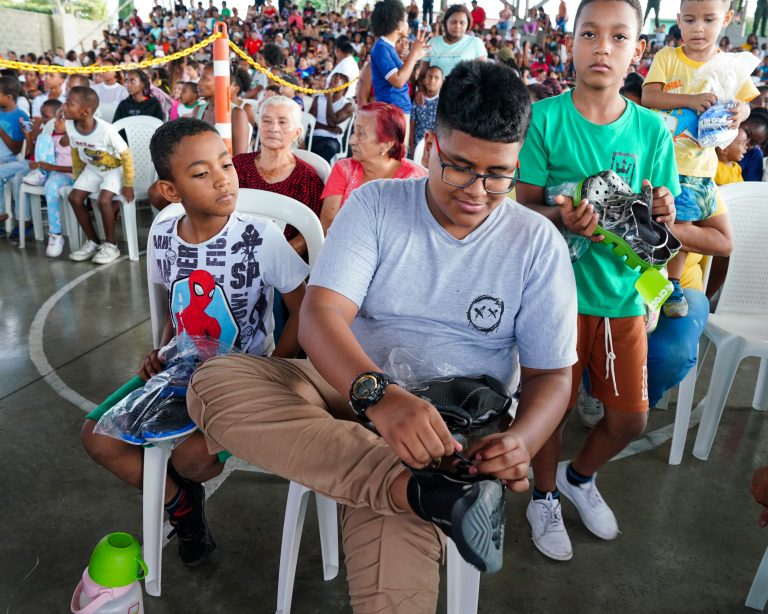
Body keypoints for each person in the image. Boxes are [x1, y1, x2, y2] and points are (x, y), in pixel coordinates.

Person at [187, 59, 577, 612]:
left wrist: (524, 441)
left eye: (498, 175)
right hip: (350, 387)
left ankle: (419, 485)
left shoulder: (536, 242)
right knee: (214, 383)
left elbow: (551, 376)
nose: (477, 192)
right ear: (430, 148)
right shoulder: (376, 204)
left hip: (451, 431)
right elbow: (321, 315)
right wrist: (380, 398)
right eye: (460, 168)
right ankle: (423, 492)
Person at [81, 117, 309, 567]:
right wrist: (161, 349)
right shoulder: (164, 236)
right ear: (171, 190)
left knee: (191, 460)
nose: (223, 179)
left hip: (241, 376)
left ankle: (177, 489)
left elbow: (305, 310)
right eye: (202, 173)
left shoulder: (259, 237)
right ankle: (181, 505)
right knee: (97, 439)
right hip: (179, 368)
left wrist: (274, 368)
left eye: (226, 164)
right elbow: (177, 306)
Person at [516, 0, 678, 562]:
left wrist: (662, 208)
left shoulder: (652, 131)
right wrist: (562, 217)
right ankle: (543, 496)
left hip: (623, 295)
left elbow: (660, 216)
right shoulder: (544, 119)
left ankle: (578, 478)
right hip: (554, 297)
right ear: (571, 42)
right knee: (551, 410)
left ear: (639, 49)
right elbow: (522, 210)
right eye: (589, 34)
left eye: (618, 36)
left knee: (630, 419)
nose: (602, 47)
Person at [642, 0, 756, 319]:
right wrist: (690, 100)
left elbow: (747, 102)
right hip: (667, 163)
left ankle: (670, 278)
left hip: (702, 168)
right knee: (679, 222)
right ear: (679, 20)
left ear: (727, 19)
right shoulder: (668, 57)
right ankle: (666, 284)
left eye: (708, 20)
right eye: (690, 20)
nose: (698, 28)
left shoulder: (728, 65)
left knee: (687, 225)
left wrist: (741, 112)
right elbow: (650, 96)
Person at [233, 96, 324, 258]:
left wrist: (270, 258)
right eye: (266, 121)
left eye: (282, 122)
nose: (273, 128)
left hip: (283, 261)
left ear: (297, 132)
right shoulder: (239, 165)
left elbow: (309, 234)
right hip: (233, 252)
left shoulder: (306, 178)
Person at [320, 102, 426, 231]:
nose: (351, 141)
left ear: (386, 145)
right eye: (354, 131)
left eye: (361, 133)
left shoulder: (413, 180)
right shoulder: (344, 168)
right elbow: (327, 224)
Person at [64, 86, 135, 265]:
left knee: (104, 200)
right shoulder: (69, 125)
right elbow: (75, 152)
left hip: (114, 169)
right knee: (74, 197)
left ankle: (111, 245)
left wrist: (128, 183)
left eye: (69, 104)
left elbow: (126, 155)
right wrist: (78, 177)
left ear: (86, 111)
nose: (64, 107)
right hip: (92, 168)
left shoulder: (106, 130)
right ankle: (93, 241)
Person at [20, 104, 74, 258]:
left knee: (51, 185)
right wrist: (39, 164)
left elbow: (78, 169)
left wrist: (53, 167)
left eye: (59, 119)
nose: (55, 122)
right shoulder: (52, 137)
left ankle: (55, 234)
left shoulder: (77, 139)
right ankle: (41, 173)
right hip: (53, 173)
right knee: (42, 137)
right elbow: (46, 158)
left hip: (70, 175)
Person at [369, 0, 430, 126]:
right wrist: (413, 54)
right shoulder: (381, 48)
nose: (408, 25)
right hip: (392, 111)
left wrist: (415, 56)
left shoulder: (387, 47)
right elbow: (398, 81)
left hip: (398, 109)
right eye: (406, 21)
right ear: (398, 25)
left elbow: (404, 76)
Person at [419, 5, 486, 81]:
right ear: (446, 22)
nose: (457, 26)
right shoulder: (432, 43)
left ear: (468, 24)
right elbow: (422, 75)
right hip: (435, 89)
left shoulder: (476, 43)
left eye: (462, 23)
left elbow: (483, 77)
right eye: (453, 22)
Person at [0, 76, 30, 228]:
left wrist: (1, 131)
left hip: (11, 161)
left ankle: (5, 215)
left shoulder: (20, 117)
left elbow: (16, 149)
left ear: (9, 97)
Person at [310, 73, 356, 163]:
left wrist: (329, 99)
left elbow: (331, 122)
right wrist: (330, 128)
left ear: (344, 86)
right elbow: (311, 123)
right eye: (331, 81)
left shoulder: (348, 105)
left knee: (326, 147)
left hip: (332, 140)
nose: (331, 83)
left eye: (335, 81)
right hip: (314, 136)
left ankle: (320, 170)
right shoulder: (318, 98)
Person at [410, 65, 442, 154]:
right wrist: (412, 149)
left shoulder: (443, 104)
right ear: (424, 81)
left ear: (442, 82)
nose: (432, 80)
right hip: (417, 147)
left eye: (436, 78)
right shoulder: (418, 100)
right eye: (429, 76)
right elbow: (411, 127)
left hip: (435, 150)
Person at [739, 108, 768, 181]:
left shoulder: (754, 155)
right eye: (746, 133)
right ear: (740, 122)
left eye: (753, 143)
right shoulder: (716, 137)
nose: (745, 142)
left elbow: (751, 186)